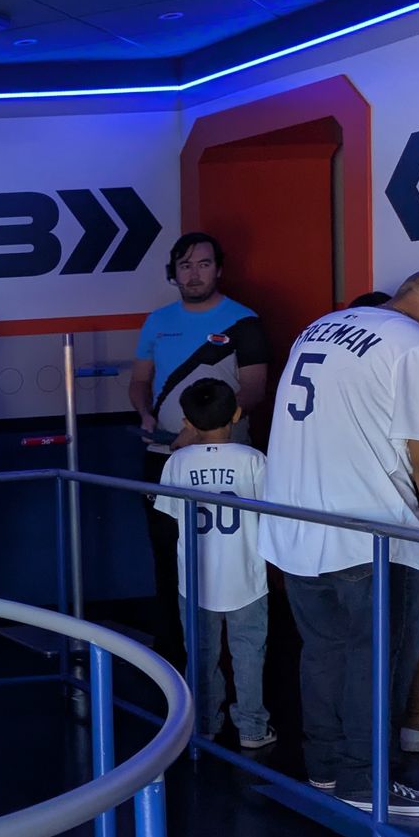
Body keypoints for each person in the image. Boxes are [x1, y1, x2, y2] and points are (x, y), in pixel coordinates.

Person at [262, 267, 419, 817]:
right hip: (371, 534)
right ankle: (366, 780)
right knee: (377, 661)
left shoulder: (322, 327)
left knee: (324, 654)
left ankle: (327, 768)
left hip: (295, 528)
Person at [131, 233, 271, 664]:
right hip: (163, 457)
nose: (194, 274)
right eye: (185, 265)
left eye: (204, 264)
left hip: (227, 458)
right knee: (168, 552)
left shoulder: (243, 321)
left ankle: (231, 657)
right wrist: (145, 415)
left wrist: (202, 429)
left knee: (231, 559)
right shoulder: (157, 320)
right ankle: (174, 651)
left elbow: (254, 389)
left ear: (219, 269)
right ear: (173, 271)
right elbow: (139, 381)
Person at [150, 378, 273, 749]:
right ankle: (252, 728)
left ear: (187, 422)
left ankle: (203, 724)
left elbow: (170, 513)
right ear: (236, 414)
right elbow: (273, 514)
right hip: (248, 577)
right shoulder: (253, 459)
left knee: (201, 653)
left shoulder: (177, 461)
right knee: (249, 653)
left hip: (196, 580)